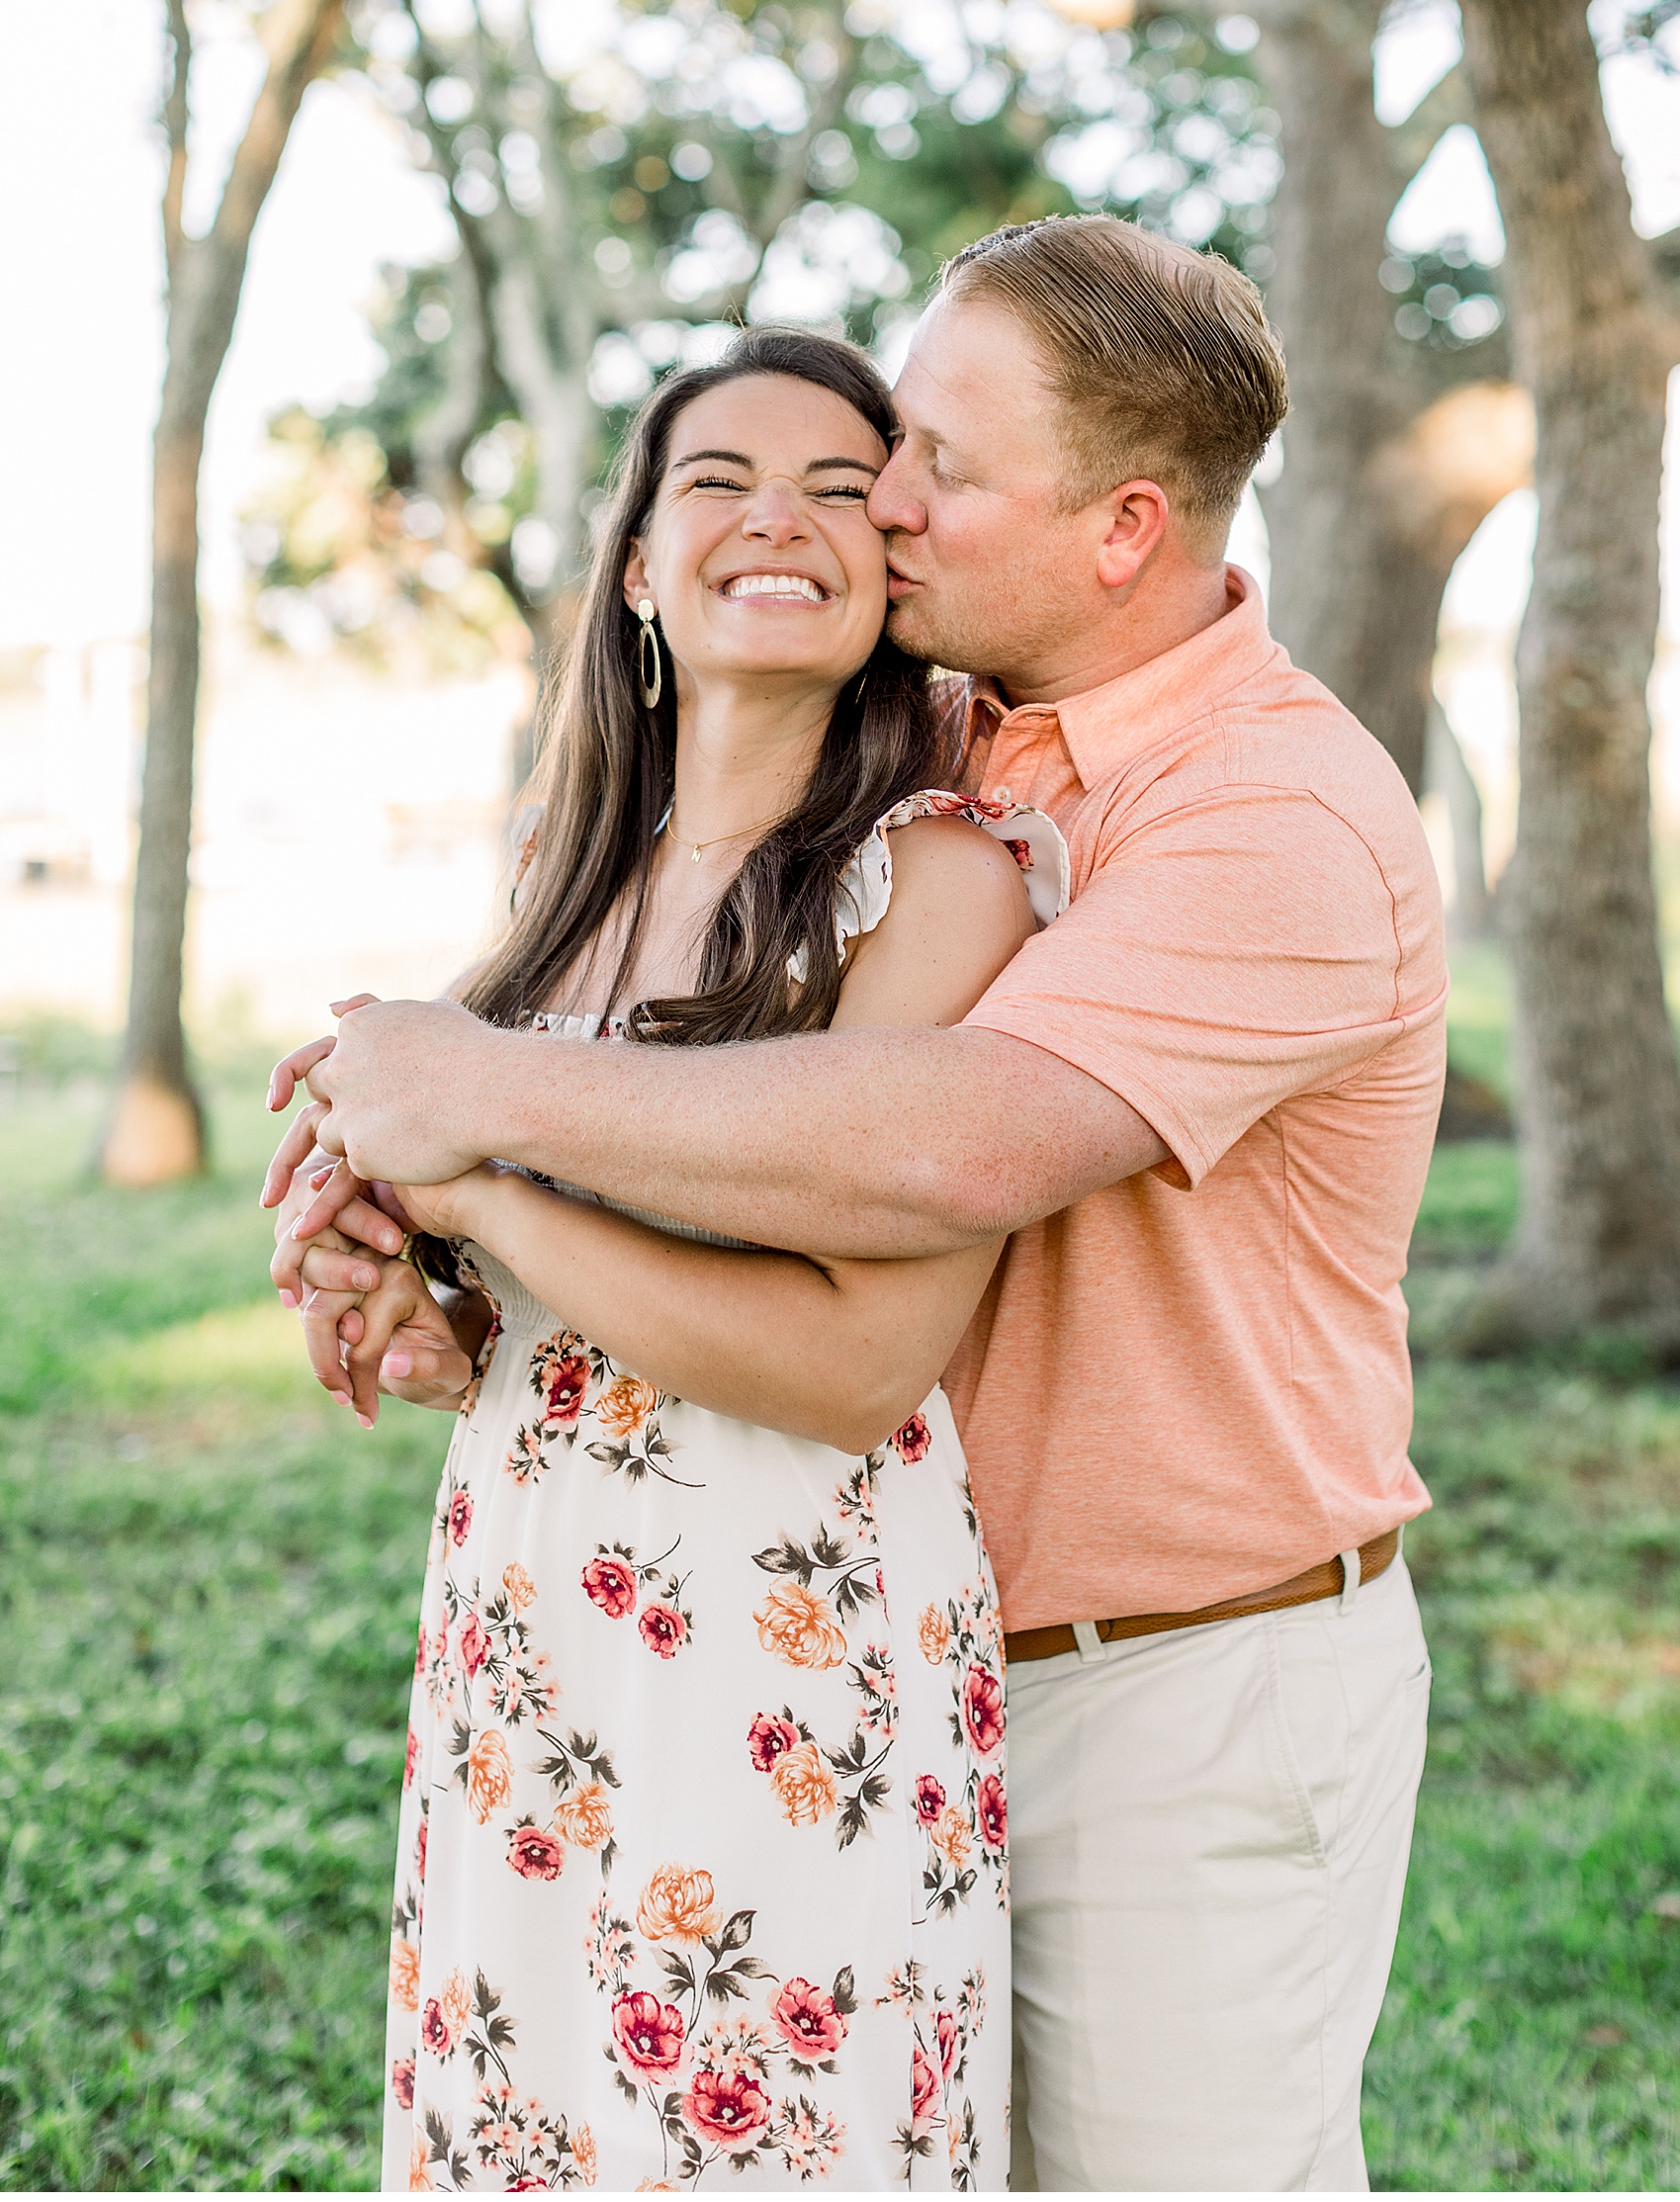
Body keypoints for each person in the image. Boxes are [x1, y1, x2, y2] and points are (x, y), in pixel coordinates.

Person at [271, 217, 1449, 2193]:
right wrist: (425, 1245)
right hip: (888, 1646)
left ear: (1124, 528)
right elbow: (698, 1128)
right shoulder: (944, 737)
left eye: (935, 465)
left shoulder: (1276, 815)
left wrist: (474, 1111)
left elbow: (948, 1144)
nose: (883, 503)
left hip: (1178, 1682)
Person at [291, 327, 1069, 2191]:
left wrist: (481, 1197)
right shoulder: (568, 876)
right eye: (719, 481)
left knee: (757, 2133)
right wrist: (417, 1288)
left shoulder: (939, 877)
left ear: (894, 573)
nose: (775, 518)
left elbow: (857, 1366)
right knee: (540, 2108)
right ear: (640, 566)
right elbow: (544, 1302)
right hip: (534, 1605)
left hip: (785, 1631)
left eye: (837, 489)